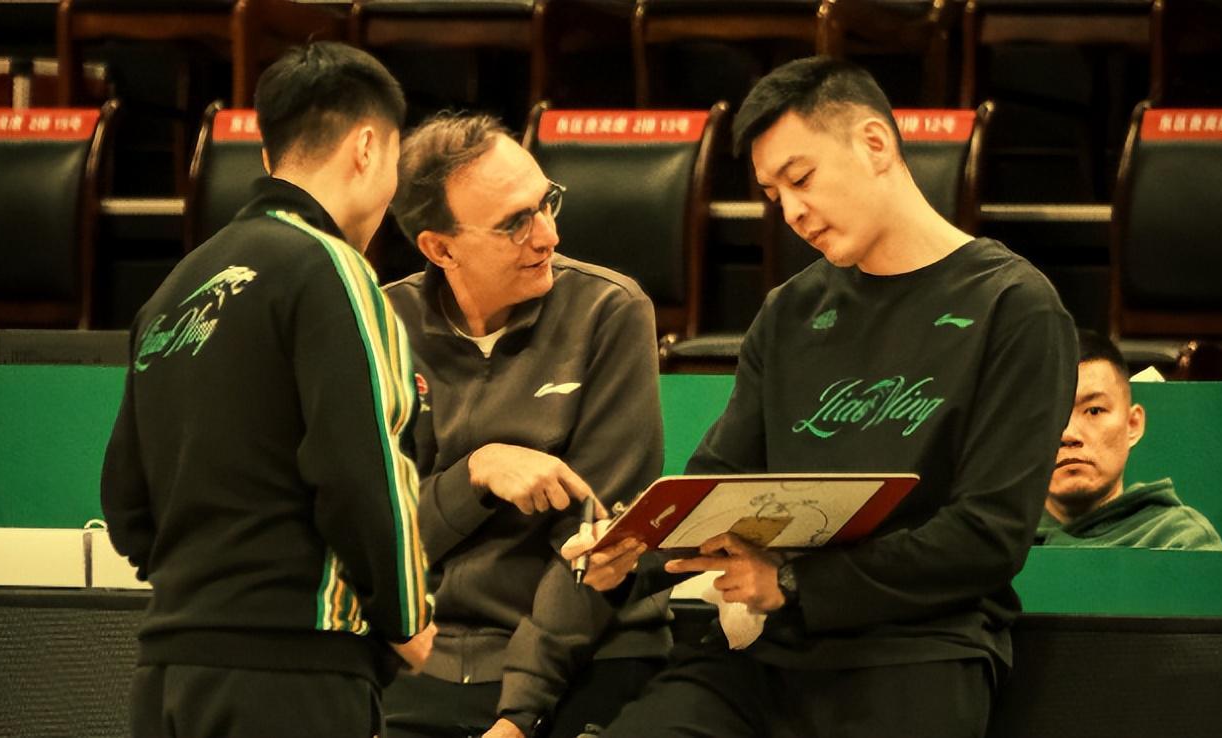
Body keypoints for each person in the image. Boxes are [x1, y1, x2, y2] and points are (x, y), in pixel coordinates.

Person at [563, 56, 1078, 738]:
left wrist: (795, 584)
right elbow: (719, 485)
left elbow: (988, 536)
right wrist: (632, 552)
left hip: (918, 651)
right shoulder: (790, 310)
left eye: (801, 178)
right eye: (773, 195)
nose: (793, 212)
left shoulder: (1013, 305)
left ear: (875, 144)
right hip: (765, 653)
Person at [100, 42, 432, 738]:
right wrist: (407, 618)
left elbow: (126, 503)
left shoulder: (175, 287)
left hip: (166, 673)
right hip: (291, 673)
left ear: (268, 153)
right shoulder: (332, 268)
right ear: (367, 148)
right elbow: (361, 469)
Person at [381, 113, 672, 738]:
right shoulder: (383, 327)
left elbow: (596, 549)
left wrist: (518, 717)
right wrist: (477, 473)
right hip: (424, 660)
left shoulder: (610, 311)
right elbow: (379, 541)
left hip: (585, 658)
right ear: (440, 248)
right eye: (515, 223)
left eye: (546, 203)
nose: (547, 236)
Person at [1038, 330, 1222, 549]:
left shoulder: (1180, 542)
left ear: (1133, 424)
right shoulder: (1005, 541)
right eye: (1050, 415)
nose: (1069, 434)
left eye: (1094, 410)